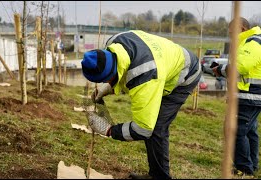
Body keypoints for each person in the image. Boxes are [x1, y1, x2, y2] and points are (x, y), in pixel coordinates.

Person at [81, 30, 201, 179]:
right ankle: (156, 174)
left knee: (156, 127)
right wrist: (110, 87)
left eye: (106, 80)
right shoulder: (114, 42)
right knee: (154, 125)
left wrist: (109, 130)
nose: (105, 83)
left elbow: (143, 129)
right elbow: (125, 66)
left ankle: (159, 177)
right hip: (164, 62)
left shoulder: (144, 77)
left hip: (185, 74)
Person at [212, 17, 261, 176]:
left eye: (232, 33)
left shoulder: (252, 43)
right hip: (250, 96)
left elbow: (240, 67)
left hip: (249, 96)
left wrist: (221, 70)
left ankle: (244, 168)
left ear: (241, 28)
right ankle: (252, 165)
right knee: (250, 131)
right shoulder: (251, 42)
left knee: (236, 130)